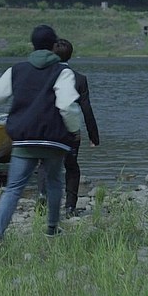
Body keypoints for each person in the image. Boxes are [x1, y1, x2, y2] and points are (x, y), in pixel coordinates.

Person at [0, 25, 83, 263]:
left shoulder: (17, 69)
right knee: (54, 182)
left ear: (32, 45)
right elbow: (67, 105)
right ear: (53, 45)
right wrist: (74, 129)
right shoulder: (62, 71)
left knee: (13, 188)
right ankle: (52, 230)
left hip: (24, 137)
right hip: (54, 139)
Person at [41, 38, 99, 217]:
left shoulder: (43, 76)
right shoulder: (79, 79)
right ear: (70, 55)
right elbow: (86, 109)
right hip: (70, 130)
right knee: (71, 167)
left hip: (46, 129)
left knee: (44, 165)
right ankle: (70, 207)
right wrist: (93, 136)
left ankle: (42, 202)